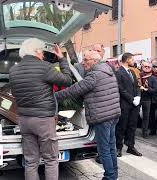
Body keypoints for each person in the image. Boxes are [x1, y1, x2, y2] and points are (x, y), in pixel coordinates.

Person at [9, 38, 72, 180]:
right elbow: (67, 80)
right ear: (37, 51)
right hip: (43, 120)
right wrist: (61, 59)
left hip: (24, 120)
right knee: (50, 160)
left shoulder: (13, 70)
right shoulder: (45, 67)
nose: (43, 54)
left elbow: (14, 94)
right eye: (42, 51)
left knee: (31, 161)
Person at [55, 50, 121, 180]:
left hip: (102, 117)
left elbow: (74, 90)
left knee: (104, 150)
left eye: (86, 60)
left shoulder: (93, 76)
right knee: (111, 146)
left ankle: (110, 177)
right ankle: (114, 175)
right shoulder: (108, 71)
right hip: (113, 115)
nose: (83, 62)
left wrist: (53, 96)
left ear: (95, 61)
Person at [115, 52, 142, 157]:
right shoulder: (119, 72)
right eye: (132, 59)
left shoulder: (132, 72)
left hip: (134, 104)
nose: (134, 61)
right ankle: (118, 147)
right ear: (127, 60)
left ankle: (131, 146)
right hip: (125, 104)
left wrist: (138, 96)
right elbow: (120, 89)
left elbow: (137, 86)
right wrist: (132, 99)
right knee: (122, 126)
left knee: (132, 126)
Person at [139, 61, 157, 138]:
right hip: (138, 98)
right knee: (133, 116)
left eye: (148, 67)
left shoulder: (153, 78)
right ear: (142, 67)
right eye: (145, 67)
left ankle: (145, 132)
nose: (146, 68)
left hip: (147, 99)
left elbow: (155, 90)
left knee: (146, 117)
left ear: (151, 68)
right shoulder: (139, 75)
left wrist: (147, 89)